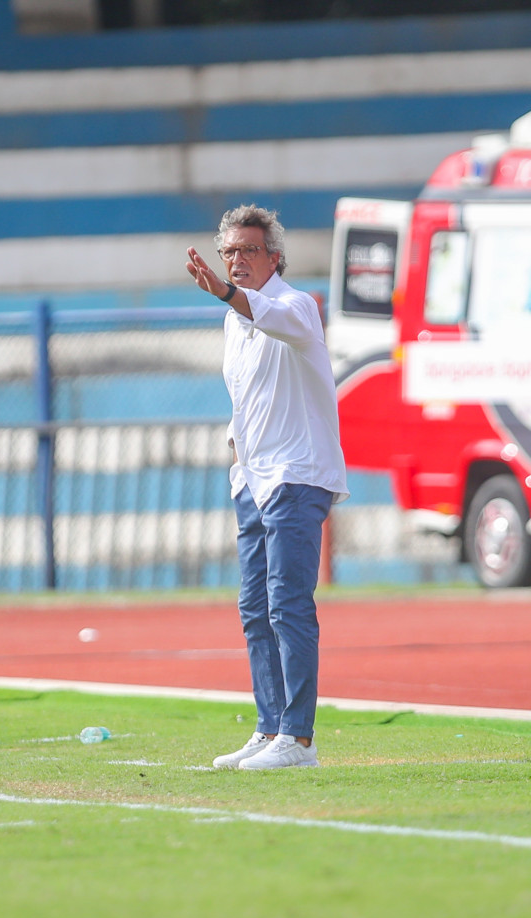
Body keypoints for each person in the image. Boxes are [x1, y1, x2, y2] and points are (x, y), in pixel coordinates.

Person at [185, 204, 348, 771]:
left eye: (247, 251)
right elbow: (249, 392)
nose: (236, 261)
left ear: (274, 257)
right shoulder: (235, 318)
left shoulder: (296, 305)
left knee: (287, 604)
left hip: (296, 475)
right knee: (255, 608)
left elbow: (272, 319)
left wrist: (227, 294)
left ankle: (299, 739)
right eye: (229, 252)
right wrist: (237, 445)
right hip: (254, 478)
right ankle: (270, 725)